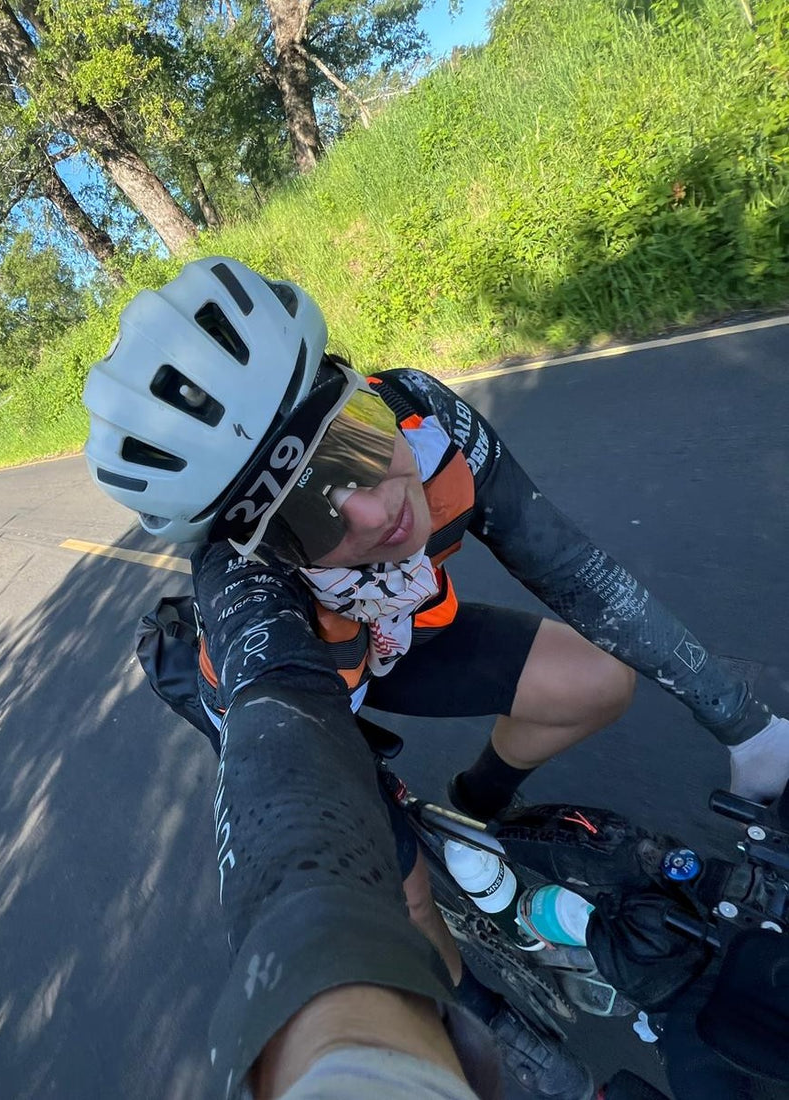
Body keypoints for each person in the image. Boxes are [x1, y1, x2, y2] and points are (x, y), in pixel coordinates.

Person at [82, 257, 789, 1097]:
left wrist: (748, 727)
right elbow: (286, 766)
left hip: (397, 642)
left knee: (598, 680)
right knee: (405, 895)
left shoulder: (423, 411)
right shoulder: (242, 582)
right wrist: (336, 1028)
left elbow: (568, 567)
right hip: (310, 708)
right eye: (310, 512)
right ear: (261, 544)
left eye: (354, 439)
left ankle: (480, 800)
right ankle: (481, 1010)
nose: (379, 510)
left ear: (362, 390)